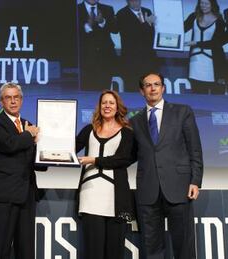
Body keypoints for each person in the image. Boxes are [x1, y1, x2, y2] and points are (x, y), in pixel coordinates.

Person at [130, 72, 203, 259]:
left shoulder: (182, 112)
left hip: (179, 187)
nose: (153, 88)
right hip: (148, 190)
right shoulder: (135, 121)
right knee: (152, 248)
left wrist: (195, 180)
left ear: (163, 88)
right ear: (141, 91)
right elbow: (130, 155)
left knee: (183, 247)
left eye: (156, 84)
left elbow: (194, 148)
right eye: (148, 85)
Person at [0, 82, 44, 259]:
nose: (13, 101)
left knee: (26, 251)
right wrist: (29, 135)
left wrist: (48, 156)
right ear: (1, 102)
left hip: (26, 195)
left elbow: (36, 162)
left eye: (16, 97)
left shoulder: (29, 125)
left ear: (22, 100)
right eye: (8, 98)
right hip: (4, 196)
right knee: (0, 249)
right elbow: (8, 145)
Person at [75, 90, 135, 259]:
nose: (107, 106)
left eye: (111, 103)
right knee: (93, 251)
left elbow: (122, 159)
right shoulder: (89, 130)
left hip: (115, 198)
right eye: (104, 103)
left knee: (114, 252)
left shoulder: (127, 132)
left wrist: (94, 159)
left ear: (118, 107)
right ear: (99, 107)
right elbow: (70, 149)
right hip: (90, 195)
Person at [184, 0, 227, 94]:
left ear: (213, 4)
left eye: (207, 3)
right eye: (201, 3)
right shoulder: (194, 17)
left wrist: (196, 43)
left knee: (217, 95)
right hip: (195, 62)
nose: (203, 6)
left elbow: (217, 42)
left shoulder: (219, 20)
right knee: (198, 93)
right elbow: (181, 29)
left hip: (213, 62)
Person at [117, 0, 158, 92]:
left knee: (148, 90)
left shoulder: (147, 11)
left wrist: (147, 24)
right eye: (132, 1)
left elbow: (151, 34)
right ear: (127, 2)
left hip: (148, 59)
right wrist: (145, 23)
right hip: (131, 61)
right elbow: (130, 34)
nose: (135, 3)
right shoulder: (122, 14)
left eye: (137, 1)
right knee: (132, 89)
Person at [77, 0, 118, 91]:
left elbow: (115, 29)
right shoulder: (76, 9)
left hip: (106, 57)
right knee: (87, 91)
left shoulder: (107, 9)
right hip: (86, 57)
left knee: (104, 91)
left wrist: (102, 22)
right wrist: (87, 26)